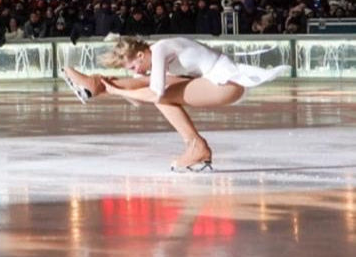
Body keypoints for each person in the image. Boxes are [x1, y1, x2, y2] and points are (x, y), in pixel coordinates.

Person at [61, 35, 289, 172]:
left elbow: (156, 94)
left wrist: (115, 91)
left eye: (132, 65)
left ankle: (196, 146)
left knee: (162, 94)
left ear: (140, 55)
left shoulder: (160, 50)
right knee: (150, 85)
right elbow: (144, 89)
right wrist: (116, 89)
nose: (134, 70)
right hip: (220, 81)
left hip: (225, 83)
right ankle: (95, 85)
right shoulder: (159, 51)